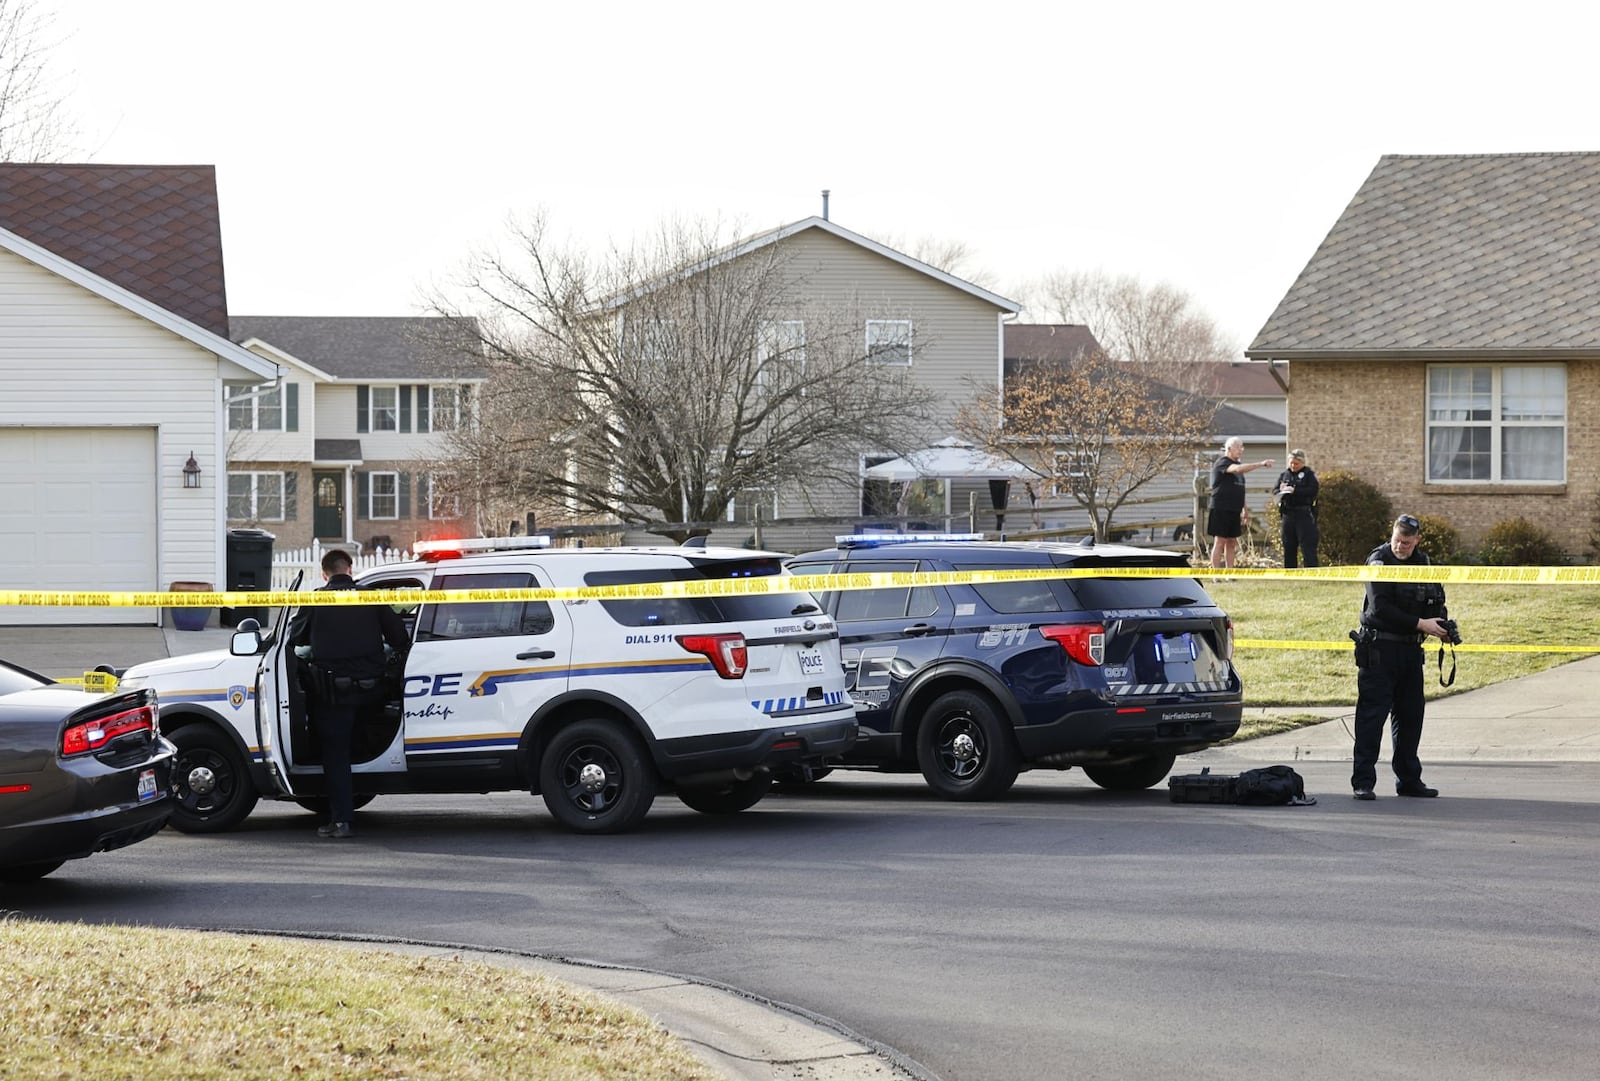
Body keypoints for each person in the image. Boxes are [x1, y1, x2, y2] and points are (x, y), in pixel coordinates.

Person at [288, 548, 410, 838]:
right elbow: (400, 639)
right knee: (364, 736)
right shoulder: (371, 597)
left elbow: (293, 640)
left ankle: (341, 820)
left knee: (335, 754)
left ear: (324, 573)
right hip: (372, 693)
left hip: (333, 695)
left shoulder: (316, 599)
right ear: (350, 569)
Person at [1350, 514, 1451, 800]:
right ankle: (1363, 781)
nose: (1400, 546)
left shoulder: (1425, 564)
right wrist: (1422, 624)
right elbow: (1380, 608)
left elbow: (1436, 600)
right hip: (1379, 649)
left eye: (1407, 542)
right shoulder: (1378, 561)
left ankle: (1408, 780)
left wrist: (1441, 626)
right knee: (1372, 716)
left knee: (1410, 717)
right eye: (1397, 540)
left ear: (1417, 540)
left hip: (1410, 650)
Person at [1207, 437, 1273, 570]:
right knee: (1220, 541)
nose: (1241, 450)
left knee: (1232, 542)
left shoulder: (1239, 469)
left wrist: (1245, 509)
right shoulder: (1223, 463)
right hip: (1221, 508)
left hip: (1234, 509)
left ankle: (1230, 573)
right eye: (1238, 447)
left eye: (1242, 447)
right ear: (1229, 449)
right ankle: (1215, 573)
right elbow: (1237, 469)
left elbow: (1239, 489)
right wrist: (1261, 464)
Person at [1273, 449, 1321, 568]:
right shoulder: (1284, 475)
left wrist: (1295, 491)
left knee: (1307, 546)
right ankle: (1290, 573)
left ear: (1302, 463)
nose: (1293, 466)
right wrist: (1281, 490)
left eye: (1296, 463)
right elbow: (1275, 491)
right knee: (1288, 545)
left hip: (1303, 513)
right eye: (1291, 463)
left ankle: (1311, 572)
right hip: (1288, 514)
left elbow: (1312, 490)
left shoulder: (1309, 475)